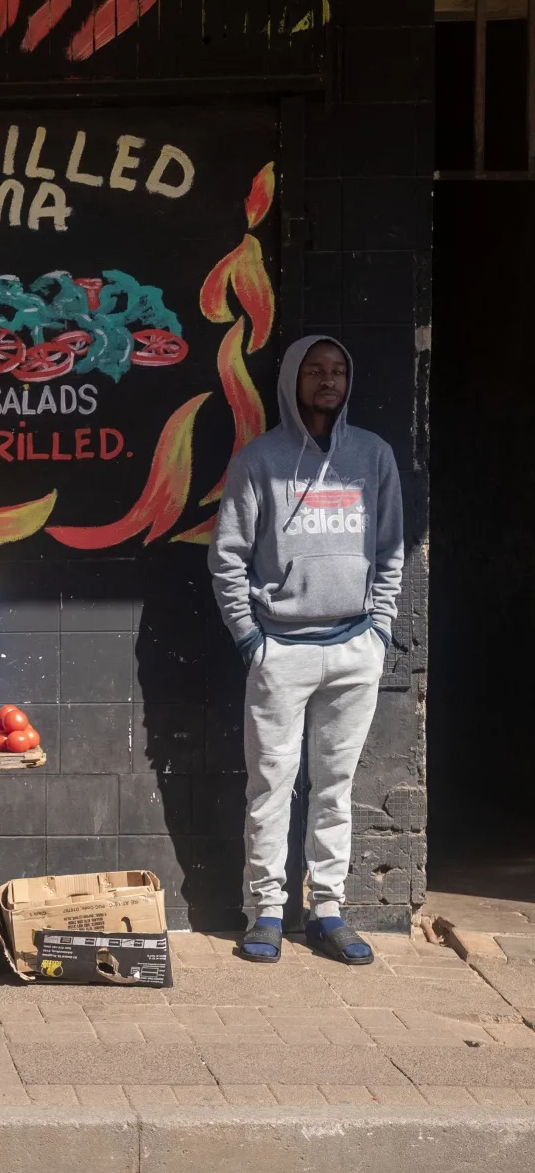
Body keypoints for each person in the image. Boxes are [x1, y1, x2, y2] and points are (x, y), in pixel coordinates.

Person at [209, 336, 403, 967]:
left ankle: (327, 909)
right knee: (271, 786)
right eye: (315, 370)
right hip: (280, 651)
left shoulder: (372, 456)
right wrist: (250, 640)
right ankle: (264, 911)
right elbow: (228, 556)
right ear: (292, 380)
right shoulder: (259, 460)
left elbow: (391, 549)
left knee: (335, 787)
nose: (328, 380)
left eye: (338, 369)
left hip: (353, 648)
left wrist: (378, 629)